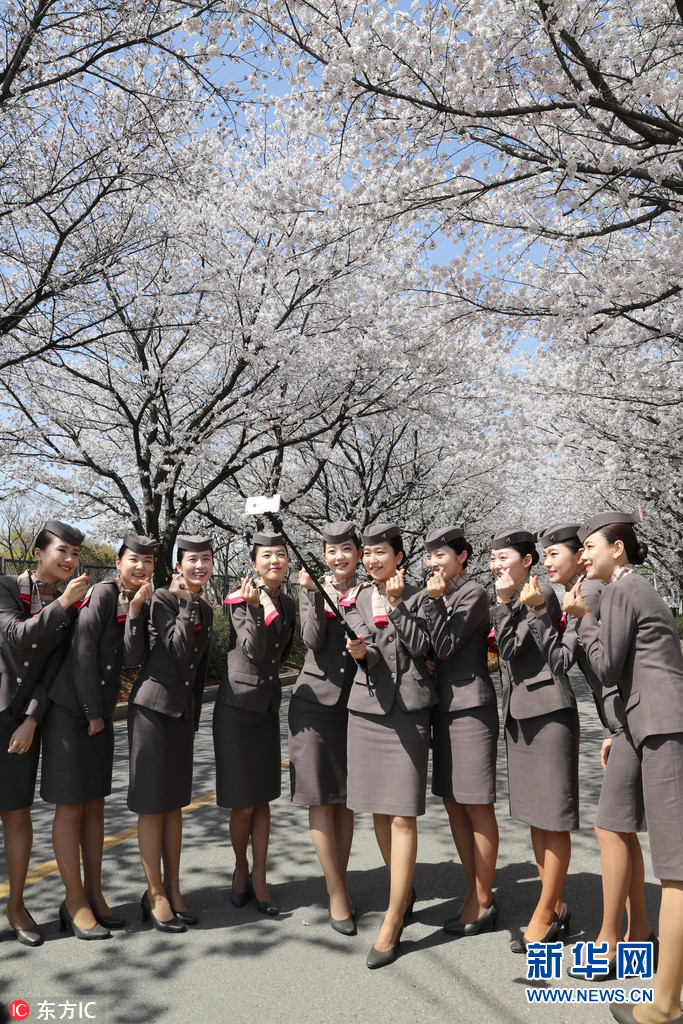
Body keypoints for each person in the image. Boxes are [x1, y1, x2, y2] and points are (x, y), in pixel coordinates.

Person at [564, 512, 683, 1024]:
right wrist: (619, 732)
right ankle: (632, 940)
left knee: (676, 870)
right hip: (640, 727)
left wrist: (579, 617)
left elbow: (607, 665)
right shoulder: (622, 591)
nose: (583, 555)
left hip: (665, 727)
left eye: (590, 546)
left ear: (618, 548)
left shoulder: (622, 590)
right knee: (612, 819)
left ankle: (665, 1003)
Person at [519, 522, 653, 975]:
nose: (547, 562)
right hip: (624, 724)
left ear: (582, 555)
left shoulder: (593, 594)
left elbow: (573, 662)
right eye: (544, 554)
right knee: (621, 830)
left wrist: (542, 613)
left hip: (634, 722)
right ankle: (640, 932)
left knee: (610, 828)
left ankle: (613, 941)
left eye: (555, 552)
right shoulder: (588, 591)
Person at [41, 534, 156, 939]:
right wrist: (92, 713)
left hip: (98, 715)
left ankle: (93, 891)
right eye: (133, 560)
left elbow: (131, 658)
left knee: (94, 807)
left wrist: (139, 610)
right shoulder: (103, 593)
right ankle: (73, 901)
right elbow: (84, 654)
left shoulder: (131, 599)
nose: (140, 567)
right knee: (70, 808)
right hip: (73, 713)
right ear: (119, 561)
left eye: (147, 562)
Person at [342, 522, 437, 969]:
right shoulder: (356, 598)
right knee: (379, 811)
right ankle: (404, 889)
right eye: (368, 553)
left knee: (402, 813)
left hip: (410, 711)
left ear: (399, 556)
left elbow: (423, 647)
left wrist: (398, 606)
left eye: (382, 552)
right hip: (367, 711)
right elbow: (372, 653)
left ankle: (394, 915)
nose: (373, 560)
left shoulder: (420, 596)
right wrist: (362, 653)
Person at [489, 527, 578, 952]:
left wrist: (505, 604)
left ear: (527, 562)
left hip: (548, 713)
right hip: (521, 715)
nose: (496, 565)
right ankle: (555, 903)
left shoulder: (538, 595)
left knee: (553, 818)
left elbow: (508, 649)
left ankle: (544, 914)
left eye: (503, 557)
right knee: (536, 819)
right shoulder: (514, 597)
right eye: (492, 558)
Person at [0, 519, 88, 947]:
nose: (70, 561)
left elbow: (55, 668)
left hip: (20, 723)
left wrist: (32, 719)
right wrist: (63, 604)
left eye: (75, 554)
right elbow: (17, 636)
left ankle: (17, 905)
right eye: (62, 552)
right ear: (38, 553)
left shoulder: (73, 606)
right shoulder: (3, 587)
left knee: (16, 815)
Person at [127, 534, 213, 933]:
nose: (200, 566)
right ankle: (155, 892)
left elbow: (196, 670)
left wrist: (193, 716)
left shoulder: (206, 608)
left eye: (207, 559)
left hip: (180, 715)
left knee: (175, 804)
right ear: (178, 566)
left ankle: (174, 888)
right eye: (192, 560)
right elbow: (177, 649)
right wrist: (184, 602)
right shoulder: (164, 599)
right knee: (152, 803)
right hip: (151, 710)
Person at [422, 525, 499, 936]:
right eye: (429, 557)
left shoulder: (473, 594)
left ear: (463, 556)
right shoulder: (437, 595)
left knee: (475, 805)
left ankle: (484, 899)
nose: (434, 564)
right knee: (452, 802)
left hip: (470, 708)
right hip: (442, 708)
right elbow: (426, 647)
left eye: (442, 556)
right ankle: (474, 890)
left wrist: (433, 606)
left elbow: (448, 646)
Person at [214, 532, 296, 916]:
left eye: (280, 555)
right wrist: (257, 607)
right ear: (254, 563)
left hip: (266, 706)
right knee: (243, 802)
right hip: (236, 708)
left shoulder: (289, 602)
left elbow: (285, 651)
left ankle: (260, 875)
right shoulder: (238, 597)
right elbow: (253, 648)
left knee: (263, 797)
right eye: (267, 556)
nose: (275, 561)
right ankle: (241, 866)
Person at [288, 521, 359, 934]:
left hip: (356, 707)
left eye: (346, 549)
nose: (339, 557)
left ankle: (342, 881)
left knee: (346, 800)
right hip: (313, 706)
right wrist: (312, 593)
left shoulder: (369, 591)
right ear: (322, 556)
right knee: (320, 799)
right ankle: (335, 893)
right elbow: (313, 639)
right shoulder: (313, 588)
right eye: (331, 551)